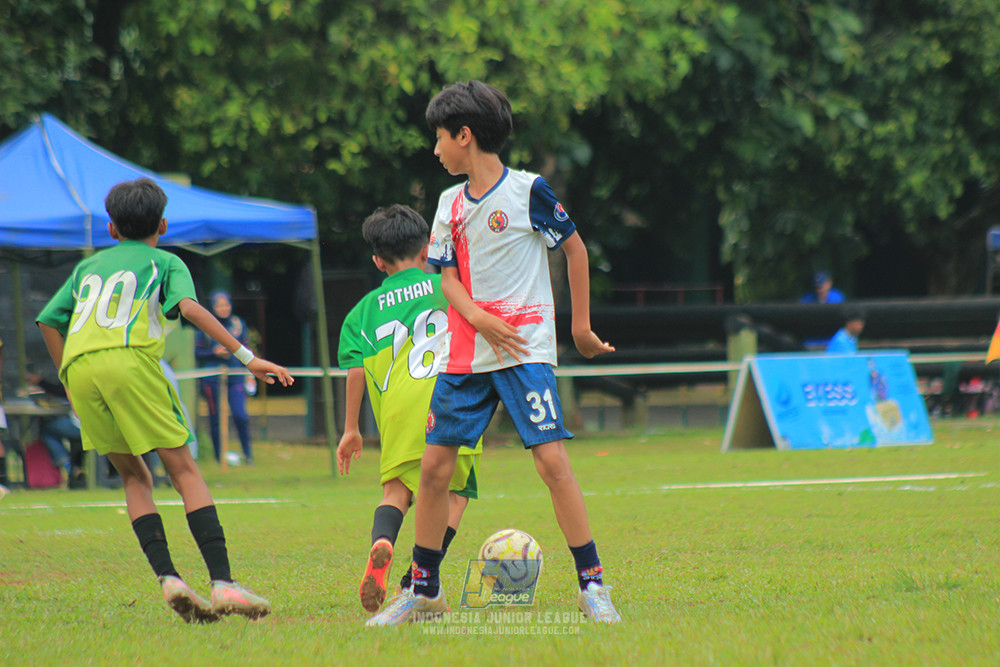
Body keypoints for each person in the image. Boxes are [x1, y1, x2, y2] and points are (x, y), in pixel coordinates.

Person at [367, 81, 621, 626]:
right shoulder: (448, 204)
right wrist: (478, 316)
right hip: (464, 356)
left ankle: (593, 585)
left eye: (439, 138)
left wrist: (579, 327)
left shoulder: (529, 191)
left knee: (552, 462)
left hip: (525, 351)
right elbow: (447, 279)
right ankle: (424, 591)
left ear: (465, 136)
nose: (435, 150)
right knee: (434, 468)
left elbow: (573, 248)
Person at [36, 178, 293, 623]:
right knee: (184, 471)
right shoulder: (165, 260)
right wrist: (248, 358)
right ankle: (223, 583)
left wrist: (69, 380)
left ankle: (169, 578)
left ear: (112, 229)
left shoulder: (88, 267)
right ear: (164, 224)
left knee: (134, 477)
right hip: (130, 361)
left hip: (80, 366)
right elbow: (190, 310)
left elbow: (48, 320)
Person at [337, 204, 482, 615]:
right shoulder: (449, 287)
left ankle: (382, 543)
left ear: (377, 260)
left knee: (396, 492)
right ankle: (414, 579)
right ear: (426, 251)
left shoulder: (360, 313)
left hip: (399, 411)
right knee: (455, 495)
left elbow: (355, 374)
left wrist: (351, 429)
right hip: (453, 400)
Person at [195, 290, 255, 464]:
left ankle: (248, 454)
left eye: (226, 304)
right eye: (219, 305)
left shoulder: (238, 325)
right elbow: (197, 351)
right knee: (216, 419)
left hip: (235, 377)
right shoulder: (204, 325)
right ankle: (218, 455)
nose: (224, 308)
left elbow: (247, 350)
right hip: (212, 378)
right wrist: (213, 352)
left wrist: (249, 374)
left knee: (240, 416)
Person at [26, 371, 86, 488]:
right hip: (97, 426)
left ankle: (66, 465)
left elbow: (61, 391)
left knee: (47, 429)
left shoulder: (74, 374)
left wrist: (40, 382)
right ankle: (74, 467)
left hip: (80, 426)